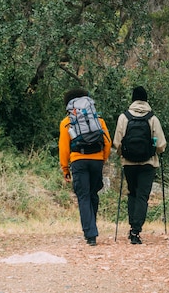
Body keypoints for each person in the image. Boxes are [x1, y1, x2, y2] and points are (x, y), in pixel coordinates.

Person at [113, 86, 166, 245]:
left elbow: (117, 142)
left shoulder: (124, 117)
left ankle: (132, 226)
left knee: (132, 194)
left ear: (133, 99)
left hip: (129, 163)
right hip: (147, 164)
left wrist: (122, 154)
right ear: (146, 100)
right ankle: (136, 231)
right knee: (142, 196)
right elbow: (161, 144)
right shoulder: (153, 119)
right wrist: (155, 150)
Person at [59, 88, 112, 246]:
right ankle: (92, 227)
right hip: (96, 160)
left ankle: (90, 234)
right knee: (93, 194)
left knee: (83, 197)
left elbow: (64, 148)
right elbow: (107, 143)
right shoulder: (97, 119)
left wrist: (65, 169)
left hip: (78, 161)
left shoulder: (66, 122)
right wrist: (101, 159)